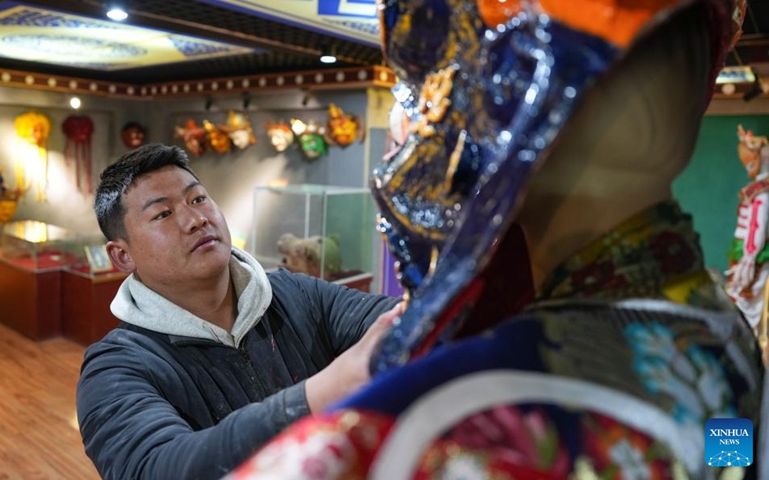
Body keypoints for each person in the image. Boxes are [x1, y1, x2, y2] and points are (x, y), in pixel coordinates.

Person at [230, 0, 766, 478]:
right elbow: (729, 461)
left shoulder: (414, 433)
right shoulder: (721, 332)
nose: (432, 126)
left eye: (482, 79)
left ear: (644, 117)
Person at [76, 143, 401, 480]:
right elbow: (156, 467)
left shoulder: (297, 293)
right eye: (163, 214)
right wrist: (315, 397)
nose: (196, 219)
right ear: (123, 256)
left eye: (198, 198)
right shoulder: (115, 369)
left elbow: (394, 319)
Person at [727, 124, 769, 363]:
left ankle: (751, 349)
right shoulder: (758, 191)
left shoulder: (761, 193)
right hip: (748, 252)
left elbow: (757, 227)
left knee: (746, 299)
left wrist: (749, 258)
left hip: (754, 255)